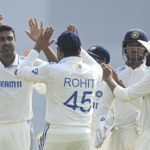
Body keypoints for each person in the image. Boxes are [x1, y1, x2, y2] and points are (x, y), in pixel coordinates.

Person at [16, 25, 103, 150]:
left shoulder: (53, 70)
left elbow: (21, 72)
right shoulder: (93, 71)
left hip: (56, 133)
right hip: (83, 134)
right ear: (79, 50)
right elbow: (95, 65)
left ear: (60, 52)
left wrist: (38, 46)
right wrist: (77, 43)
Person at [0, 16, 52, 150]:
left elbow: (57, 71)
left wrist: (43, 45)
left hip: (21, 128)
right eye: (1, 39)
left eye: (10, 38)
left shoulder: (28, 64)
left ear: (15, 41)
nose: (6, 42)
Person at [96, 28, 150, 150]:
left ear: (145, 50)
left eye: (138, 46)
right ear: (125, 48)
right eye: (131, 45)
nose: (134, 49)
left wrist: (113, 81)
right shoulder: (117, 73)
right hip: (118, 135)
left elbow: (129, 97)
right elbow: (104, 104)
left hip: (141, 134)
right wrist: (101, 124)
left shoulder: (148, 75)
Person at [86, 45, 111, 150]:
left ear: (104, 63)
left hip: (100, 138)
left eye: (94, 60)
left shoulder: (110, 85)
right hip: (82, 134)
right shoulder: (83, 79)